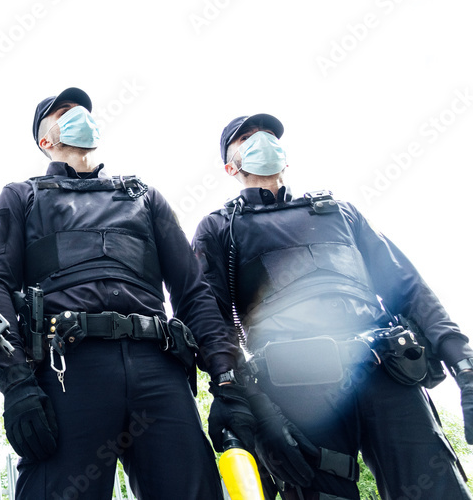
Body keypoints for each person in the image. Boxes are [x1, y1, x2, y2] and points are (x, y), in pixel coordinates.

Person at [0, 87, 253, 500]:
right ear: (45, 140)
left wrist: (226, 380)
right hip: (68, 370)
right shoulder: (22, 196)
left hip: (157, 370)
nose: (79, 116)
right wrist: (17, 384)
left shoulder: (142, 195)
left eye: (83, 110)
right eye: (64, 112)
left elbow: (192, 291)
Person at [192, 113, 473, 500]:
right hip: (297, 387)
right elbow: (211, 318)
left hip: (385, 370)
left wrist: (464, 363)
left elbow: (408, 286)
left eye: (269, 134)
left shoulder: (340, 212)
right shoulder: (219, 227)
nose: (262, 140)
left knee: (437, 489)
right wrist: (245, 400)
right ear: (230, 166)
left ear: (285, 156)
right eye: (247, 137)